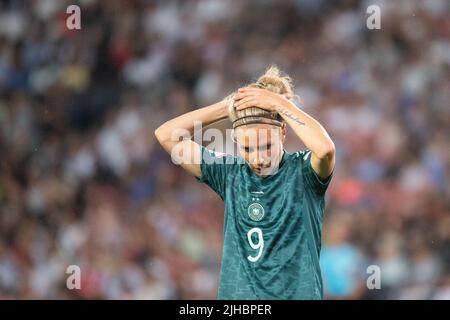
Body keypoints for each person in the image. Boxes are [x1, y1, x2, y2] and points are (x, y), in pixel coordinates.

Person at [154, 66, 335, 299]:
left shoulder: (304, 173)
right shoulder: (230, 174)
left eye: (266, 146)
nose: (258, 158)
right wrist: (228, 106)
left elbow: (326, 149)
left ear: (282, 134)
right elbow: (166, 135)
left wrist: (279, 104)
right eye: (247, 148)